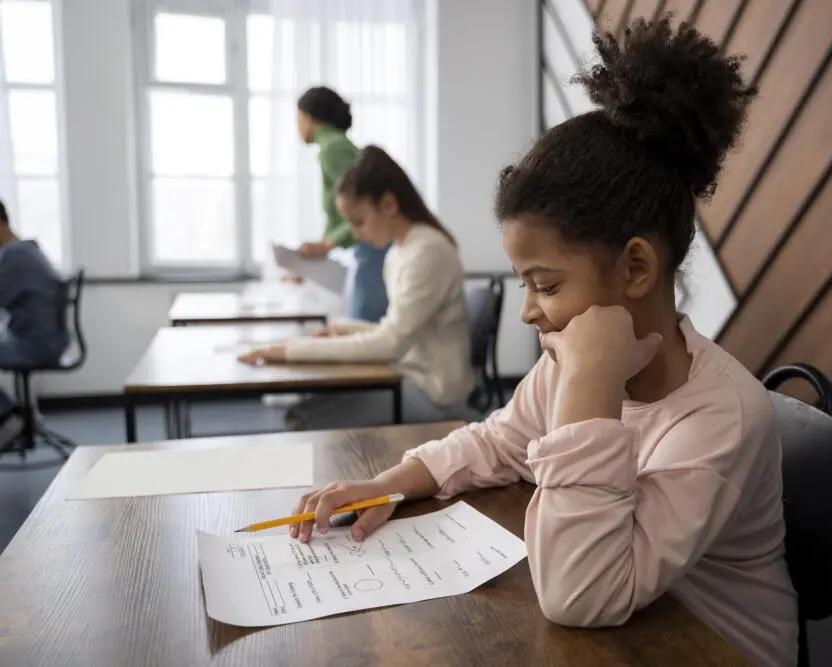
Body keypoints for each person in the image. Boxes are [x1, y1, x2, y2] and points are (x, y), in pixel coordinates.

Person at [282, 17, 798, 666]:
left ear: (636, 268)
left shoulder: (719, 416)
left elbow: (582, 593)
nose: (527, 311)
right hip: (631, 632)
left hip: (709, 647)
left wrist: (589, 385)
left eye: (545, 283)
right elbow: (499, 439)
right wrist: (389, 482)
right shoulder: (566, 365)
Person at [240, 145, 478, 426]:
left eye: (359, 221)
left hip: (434, 395)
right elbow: (397, 330)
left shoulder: (427, 251)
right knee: (302, 413)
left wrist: (290, 349)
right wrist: (345, 329)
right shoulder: (399, 251)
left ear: (389, 205)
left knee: (303, 420)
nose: (354, 234)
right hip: (412, 376)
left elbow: (391, 343)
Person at [293, 86, 389, 324]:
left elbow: (364, 208)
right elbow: (337, 216)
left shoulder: (332, 149)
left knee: (362, 324)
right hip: (367, 248)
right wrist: (313, 258)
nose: (296, 126)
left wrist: (327, 244)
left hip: (372, 247)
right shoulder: (336, 146)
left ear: (309, 117)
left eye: (298, 118)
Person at [0, 201, 69, 448]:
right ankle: (20, 415)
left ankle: (9, 416)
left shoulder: (13, 256)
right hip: (46, 340)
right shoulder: (25, 250)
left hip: (34, 344)